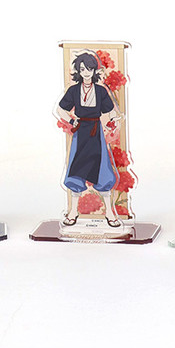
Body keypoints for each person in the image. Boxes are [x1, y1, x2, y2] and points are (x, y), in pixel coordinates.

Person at [56, 52, 121, 228]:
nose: (86, 73)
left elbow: (111, 111)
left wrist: (113, 120)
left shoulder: (100, 91)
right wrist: (71, 121)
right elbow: (60, 109)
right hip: (80, 134)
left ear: (94, 70)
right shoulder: (73, 90)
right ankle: (73, 211)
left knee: (102, 170)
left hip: (96, 133)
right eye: (83, 69)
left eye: (89, 69)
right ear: (78, 70)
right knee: (76, 170)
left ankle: (109, 212)